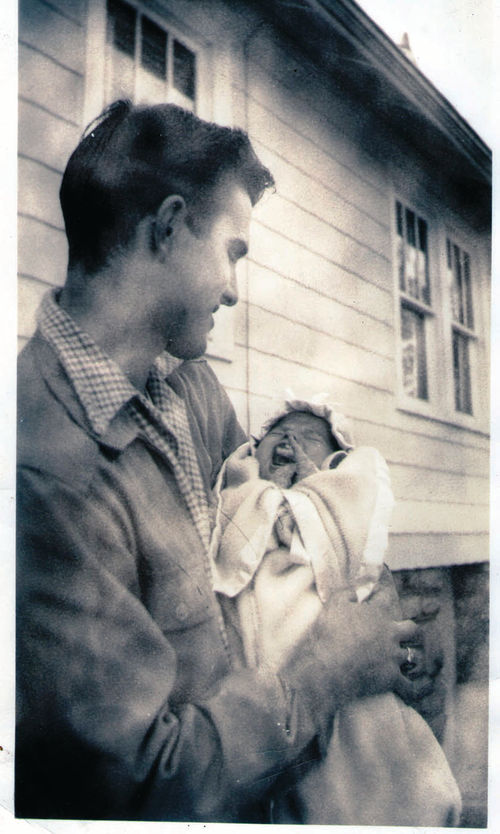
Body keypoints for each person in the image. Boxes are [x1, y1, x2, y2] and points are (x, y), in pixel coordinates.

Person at [17, 99, 419, 823]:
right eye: (232, 253)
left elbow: (283, 531)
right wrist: (326, 673)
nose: (235, 290)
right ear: (168, 228)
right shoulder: (43, 469)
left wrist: (371, 626)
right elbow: (145, 788)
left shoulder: (185, 389)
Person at [209, 397, 462, 825]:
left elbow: (348, 525)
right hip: (263, 663)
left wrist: (310, 490)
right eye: (278, 435)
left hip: (334, 649)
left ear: (334, 463)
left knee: (364, 758)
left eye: (310, 437)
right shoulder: (244, 494)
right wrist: (260, 490)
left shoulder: (331, 499)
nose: (290, 439)